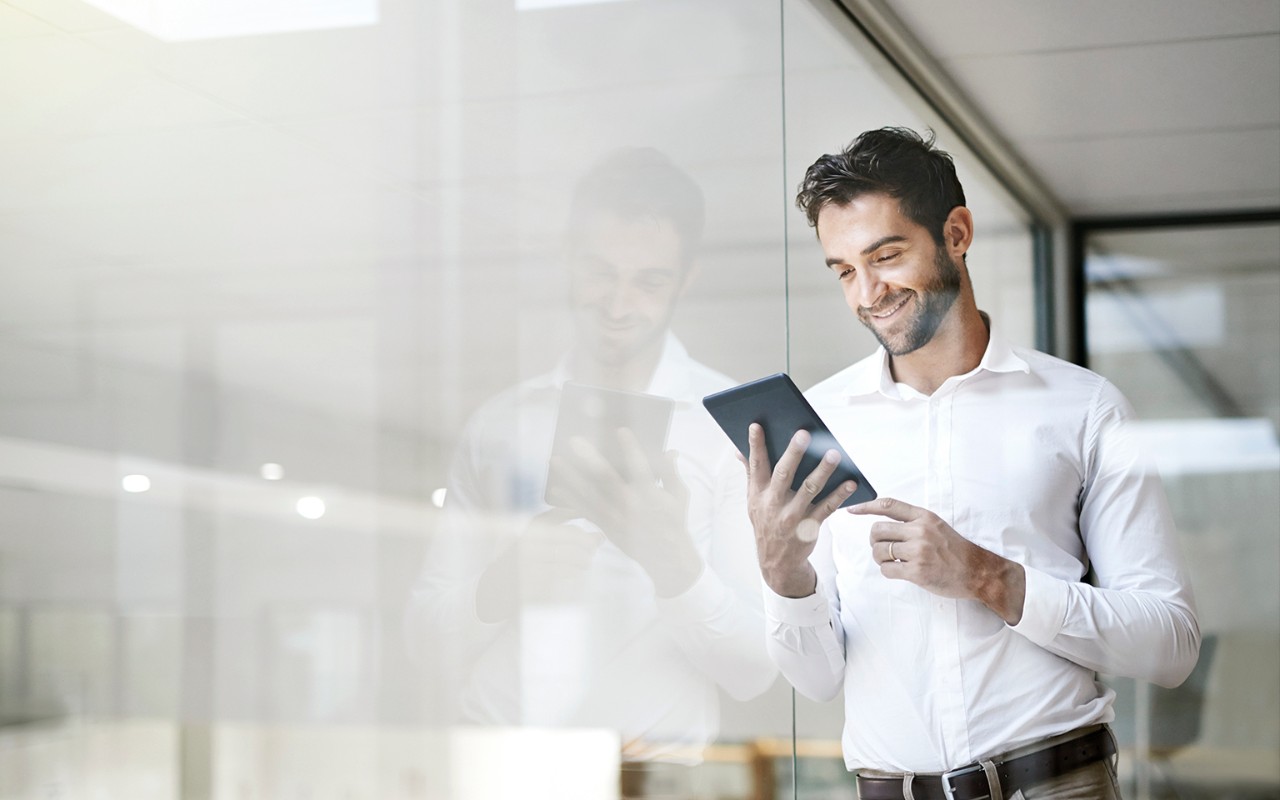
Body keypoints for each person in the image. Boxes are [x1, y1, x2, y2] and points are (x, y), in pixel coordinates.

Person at [745, 128, 1200, 799]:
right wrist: (784, 577)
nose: (867, 293)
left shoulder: (1084, 408)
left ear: (956, 233)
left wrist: (989, 577)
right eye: (844, 270)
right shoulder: (821, 423)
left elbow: (1170, 648)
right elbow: (818, 680)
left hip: (1057, 785)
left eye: (886, 255)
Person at [406, 147, 775, 775]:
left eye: (649, 281)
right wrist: (502, 586)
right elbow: (422, 641)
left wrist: (675, 566)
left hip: (652, 779)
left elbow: (756, 672)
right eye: (599, 272)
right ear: (566, 264)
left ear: (685, 282)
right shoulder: (500, 426)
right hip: (500, 768)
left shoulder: (730, 433)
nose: (617, 303)